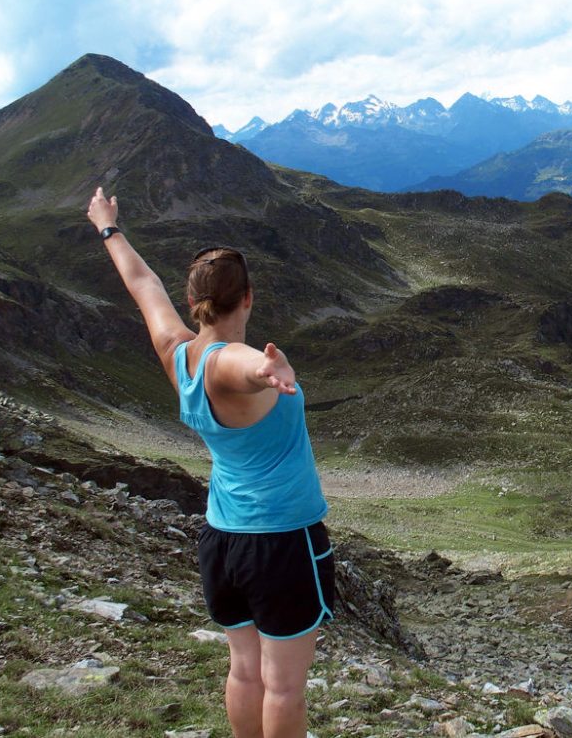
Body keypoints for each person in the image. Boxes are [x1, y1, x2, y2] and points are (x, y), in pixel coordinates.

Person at [87, 187, 334, 738]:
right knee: (285, 686)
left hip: (222, 540)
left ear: (194, 301)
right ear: (247, 298)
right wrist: (272, 373)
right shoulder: (234, 365)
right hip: (281, 541)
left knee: (244, 671)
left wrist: (109, 227)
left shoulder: (177, 352)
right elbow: (238, 365)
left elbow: (143, 285)